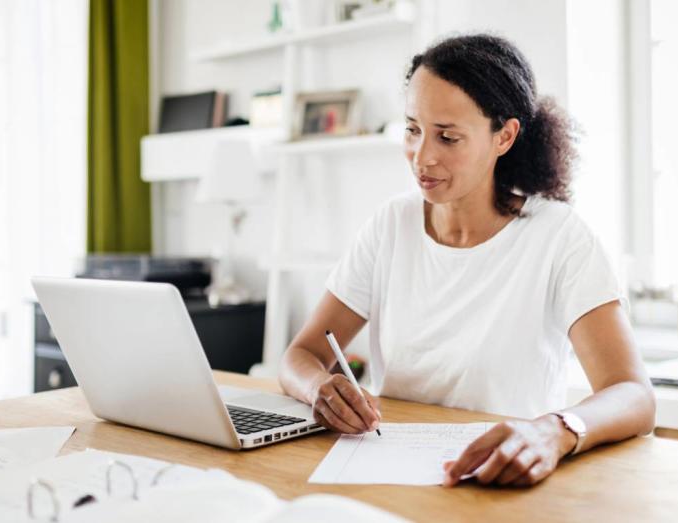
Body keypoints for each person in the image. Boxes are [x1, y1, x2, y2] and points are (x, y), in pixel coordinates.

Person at [278, 33, 656, 488]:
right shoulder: (390, 226)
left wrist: (553, 430)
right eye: (413, 129)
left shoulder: (558, 236)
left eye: (448, 137)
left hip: (503, 482)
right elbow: (301, 354)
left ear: (505, 136)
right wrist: (318, 388)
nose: (423, 157)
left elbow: (634, 395)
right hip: (390, 475)